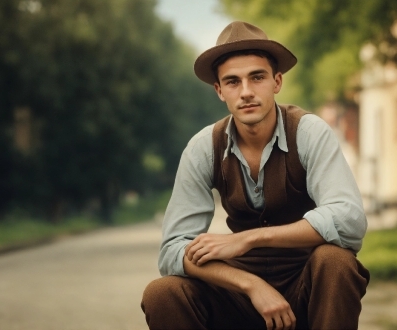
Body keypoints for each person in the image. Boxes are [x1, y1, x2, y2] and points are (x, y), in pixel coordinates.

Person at [141, 21, 370, 330]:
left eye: (257, 77)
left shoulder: (308, 131)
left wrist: (248, 239)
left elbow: (349, 220)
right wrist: (249, 284)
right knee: (162, 293)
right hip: (237, 299)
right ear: (219, 90)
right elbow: (171, 250)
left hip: (307, 286)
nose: (246, 92)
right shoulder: (203, 147)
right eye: (233, 82)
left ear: (277, 81)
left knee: (336, 261)